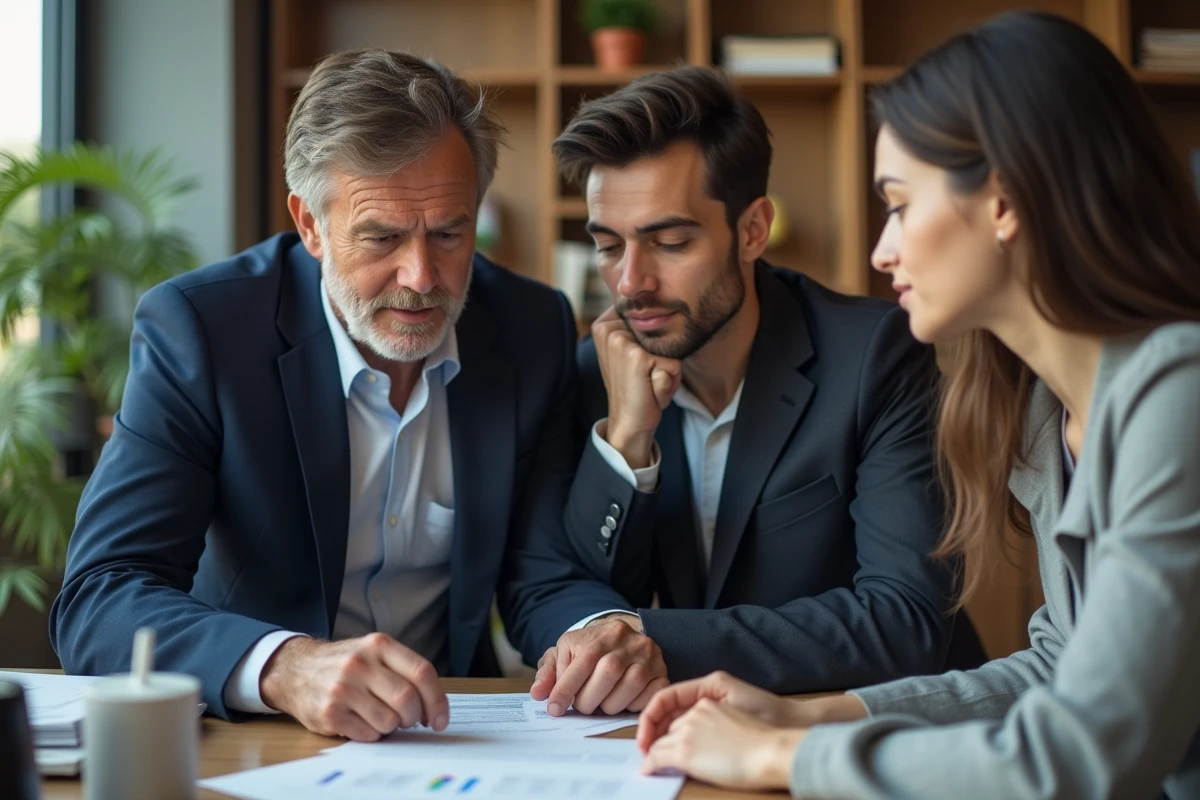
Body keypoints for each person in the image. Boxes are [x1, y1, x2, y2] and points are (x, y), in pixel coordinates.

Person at [634, 12, 1200, 799]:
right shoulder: (1043, 411)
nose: (881, 250)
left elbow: (1088, 751)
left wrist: (778, 761)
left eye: (899, 204)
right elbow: (1058, 666)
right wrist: (811, 717)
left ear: (1003, 200)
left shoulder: (1179, 390)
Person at [49, 49, 651, 741]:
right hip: (262, 731)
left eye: (450, 233)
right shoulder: (204, 331)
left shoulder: (529, 326)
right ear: (309, 224)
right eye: (382, 236)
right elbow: (102, 595)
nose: (422, 277)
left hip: (453, 729)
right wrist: (283, 666)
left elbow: (540, 569)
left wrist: (595, 629)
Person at [530, 65, 986, 719]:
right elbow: (551, 586)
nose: (630, 282)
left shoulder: (876, 356)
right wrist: (628, 441)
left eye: (669, 242)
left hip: (880, 733)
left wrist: (651, 641)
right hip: (688, 738)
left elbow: (904, 618)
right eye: (608, 245)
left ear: (751, 230)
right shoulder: (592, 372)